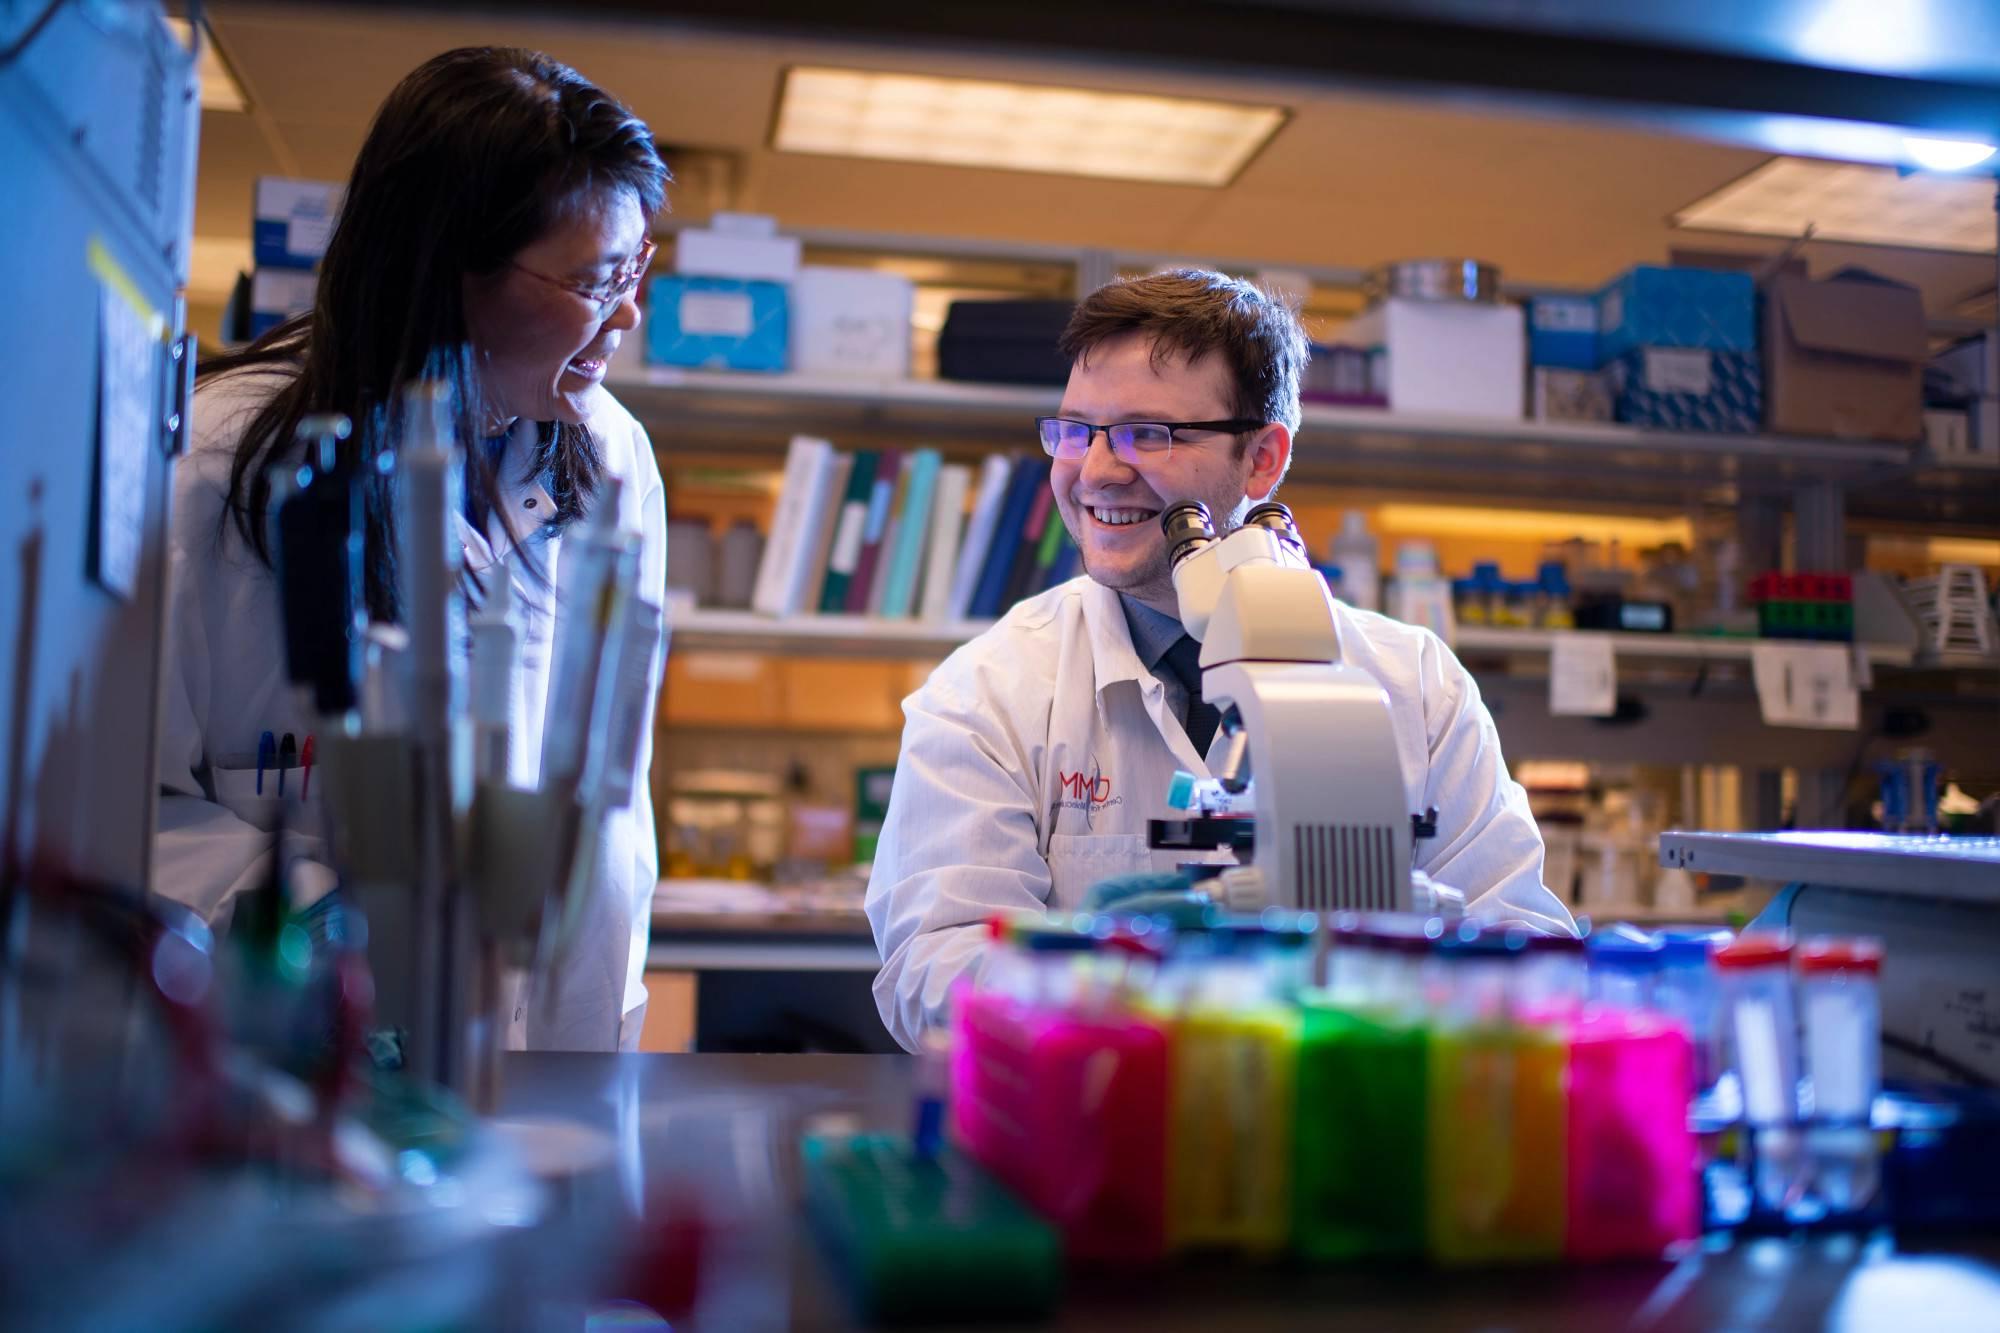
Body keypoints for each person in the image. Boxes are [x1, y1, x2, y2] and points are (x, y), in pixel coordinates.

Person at [865, 268, 1576, 1050]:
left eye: (1148, 433)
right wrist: (1181, 1004)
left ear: (1263, 460)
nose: (1096, 471)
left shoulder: (1419, 685)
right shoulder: (987, 690)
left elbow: (1526, 949)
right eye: (1076, 431)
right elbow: (936, 968)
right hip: (1101, 1131)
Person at [155, 47, 670, 1051]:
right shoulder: (218, 467)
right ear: (450, 272)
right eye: (595, 278)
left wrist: (585, 1061)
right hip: (285, 1061)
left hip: (537, 1055)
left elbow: (610, 811)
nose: (627, 315)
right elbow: (133, 814)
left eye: (635, 270)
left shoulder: (610, 455)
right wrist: (352, 932)